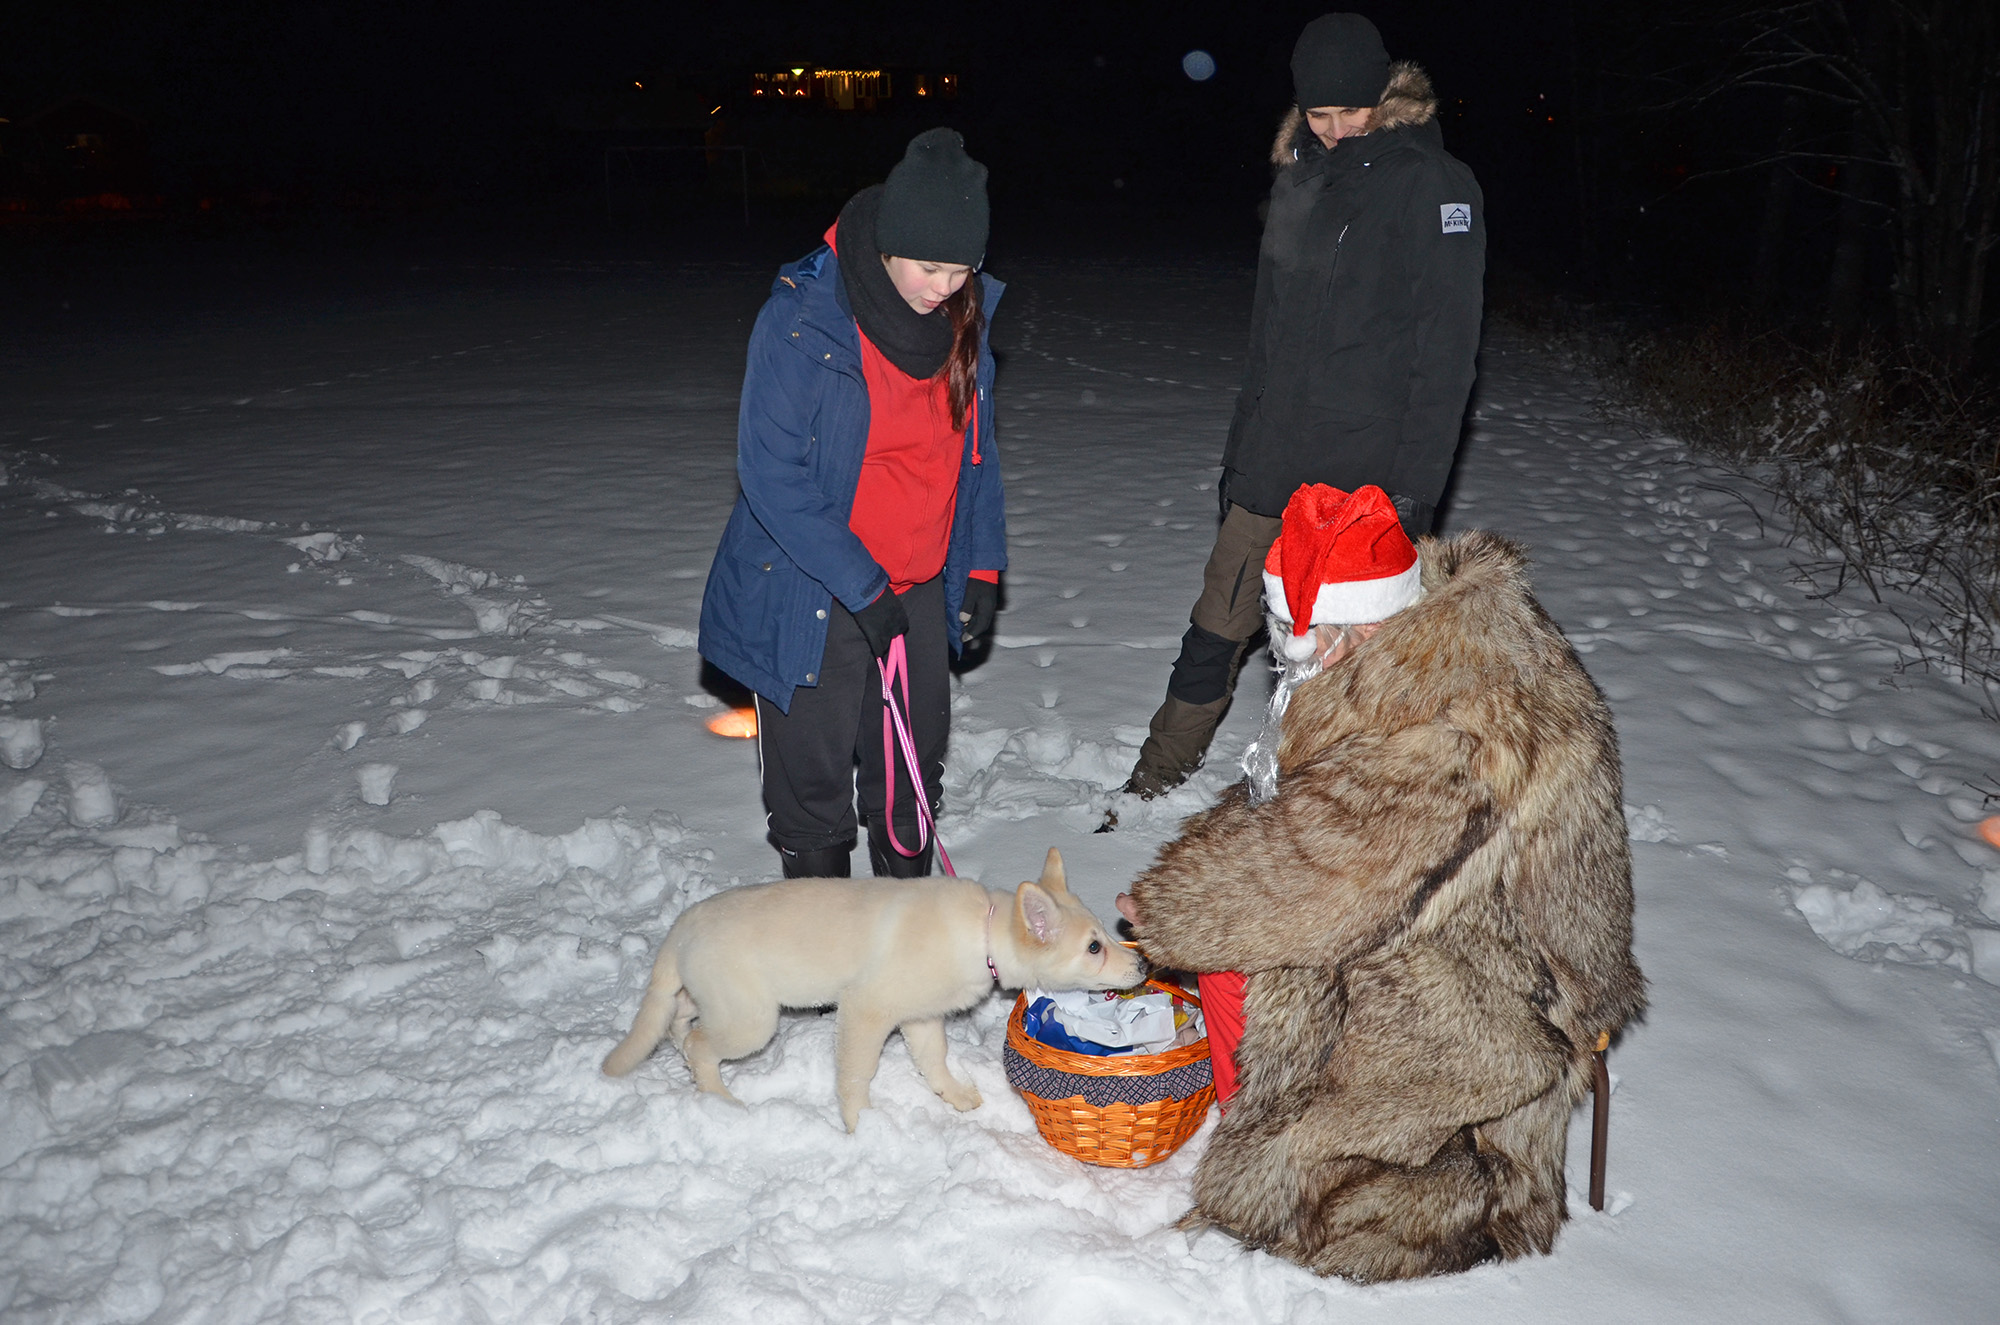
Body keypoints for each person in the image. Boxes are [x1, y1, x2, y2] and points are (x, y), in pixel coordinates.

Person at [1119, 482, 1645, 1281]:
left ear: (1368, 619)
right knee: (1254, 919)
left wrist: (1172, 911)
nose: (1302, 664)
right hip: (1490, 924)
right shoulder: (1442, 639)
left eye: (1316, 644)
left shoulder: (1454, 726)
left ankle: (1282, 1172)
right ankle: (1260, 1118)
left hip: (1519, 999)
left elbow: (1336, 875)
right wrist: (1220, 863)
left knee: (1250, 958)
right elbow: (1316, 808)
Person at [1124, 12, 1485, 798]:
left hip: (1361, 477)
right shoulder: (1300, 175)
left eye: (1348, 112)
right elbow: (1267, 338)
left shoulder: (1434, 186)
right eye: (1317, 114)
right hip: (1273, 457)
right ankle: (1156, 777)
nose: (1332, 130)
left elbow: (1448, 354)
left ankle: (1332, 812)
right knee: (1217, 622)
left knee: (1340, 662)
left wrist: (1412, 490)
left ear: (1382, 96)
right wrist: (1240, 451)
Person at [698, 128, 1006, 880]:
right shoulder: (804, 322)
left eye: (961, 269)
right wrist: (863, 586)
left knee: (909, 770)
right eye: (930, 267)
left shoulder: (962, 324)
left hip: (918, 588)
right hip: (814, 589)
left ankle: (905, 948)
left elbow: (975, 454)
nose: (944, 286)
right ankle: (825, 946)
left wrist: (984, 566)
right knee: (815, 785)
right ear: (887, 247)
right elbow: (770, 474)